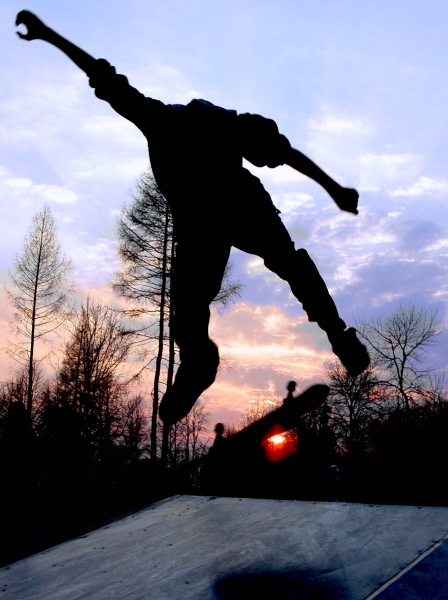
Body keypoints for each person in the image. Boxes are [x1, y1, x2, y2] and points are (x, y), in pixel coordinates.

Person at [16, 10, 370, 425]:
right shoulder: (191, 123)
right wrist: (332, 188)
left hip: (229, 212)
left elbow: (102, 75)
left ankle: (207, 356)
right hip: (219, 216)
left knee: (205, 292)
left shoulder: (168, 120)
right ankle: (223, 356)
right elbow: (287, 155)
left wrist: (46, 35)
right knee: (276, 267)